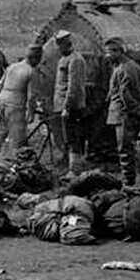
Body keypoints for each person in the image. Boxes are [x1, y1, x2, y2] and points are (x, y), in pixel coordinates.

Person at [104, 37, 140, 187]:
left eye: (109, 52)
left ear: (118, 51)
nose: (107, 56)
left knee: (125, 151)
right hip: (124, 113)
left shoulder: (125, 68)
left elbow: (127, 96)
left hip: (124, 115)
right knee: (126, 150)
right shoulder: (124, 66)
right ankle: (129, 183)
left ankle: (129, 185)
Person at [0, 44, 42, 158]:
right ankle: (12, 163)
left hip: (2, 103)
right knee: (16, 139)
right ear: (35, 58)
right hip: (15, 106)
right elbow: (31, 96)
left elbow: (0, 85)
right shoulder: (31, 72)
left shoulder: (12, 67)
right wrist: (31, 113)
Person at [52, 30, 87, 179]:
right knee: (68, 137)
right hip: (62, 106)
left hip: (72, 106)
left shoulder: (76, 60)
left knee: (73, 138)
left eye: (60, 45)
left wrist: (67, 107)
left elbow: (74, 86)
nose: (58, 48)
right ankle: (71, 168)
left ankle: (75, 170)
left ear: (66, 44)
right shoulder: (64, 59)